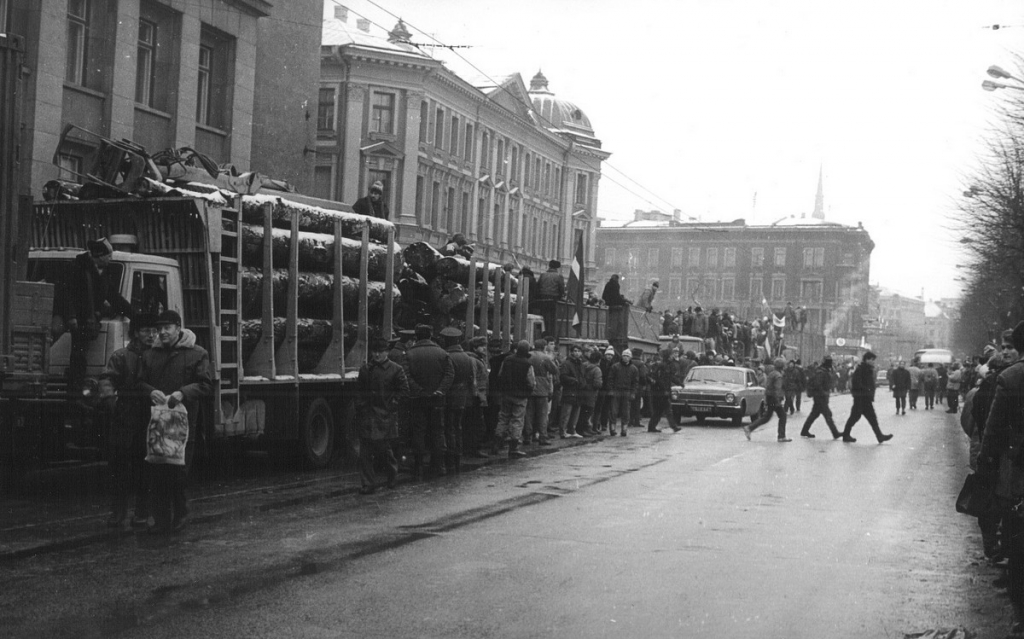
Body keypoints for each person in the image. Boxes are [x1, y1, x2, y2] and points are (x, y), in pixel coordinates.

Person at [138, 310, 212, 534]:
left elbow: (206, 385)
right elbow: (139, 382)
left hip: (183, 424)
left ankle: (180, 513)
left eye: (167, 328)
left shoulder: (197, 353)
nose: (162, 333)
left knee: (178, 471)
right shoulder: (150, 355)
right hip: (158, 422)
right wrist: (151, 392)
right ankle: (160, 519)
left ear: (178, 328)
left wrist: (182, 393)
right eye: (159, 329)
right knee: (157, 469)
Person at [977, 321, 1024, 637]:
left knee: (1016, 526)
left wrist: (985, 466)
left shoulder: (1011, 378)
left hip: (1017, 466)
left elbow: (993, 430)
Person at [98, 313, 158, 529]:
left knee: (145, 469)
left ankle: (142, 512)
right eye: (145, 331)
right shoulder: (121, 356)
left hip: (149, 420)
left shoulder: (158, 357)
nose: (151, 335)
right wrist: (112, 402)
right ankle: (118, 512)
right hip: (124, 420)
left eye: (154, 331)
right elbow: (107, 379)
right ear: (135, 333)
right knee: (118, 469)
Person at [56, 237, 132, 387]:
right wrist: (71, 316)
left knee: (79, 358)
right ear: (100, 256)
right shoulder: (77, 268)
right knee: (78, 358)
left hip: (86, 321)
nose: (110, 259)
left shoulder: (102, 273)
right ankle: (74, 394)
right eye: (108, 256)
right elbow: (66, 293)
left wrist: (132, 313)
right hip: (74, 320)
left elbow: (113, 296)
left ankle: (75, 392)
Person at [355, 338, 409, 494]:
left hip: (384, 416)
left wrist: (392, 405)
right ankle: (368, 484)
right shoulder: (365, 369)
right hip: (367, 416)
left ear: (387, 352)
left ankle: (392, 476)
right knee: (364, 451)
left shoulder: (396, 369)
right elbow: (359, 391)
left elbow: (403, 391)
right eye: (374, 352)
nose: (377, 355)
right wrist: (360, 405)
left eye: (380, 352)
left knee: (384, 449)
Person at [404, 324, 454, 479]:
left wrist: (418, 390)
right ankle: (439, 466)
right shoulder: (442, 353)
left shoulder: (409, 354)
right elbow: (449, 374)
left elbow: (405, 375)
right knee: (438, 431)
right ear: (431, 335)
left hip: (418, 399)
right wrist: (440, 390)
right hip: (437, 399)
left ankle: (418, 466)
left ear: (416, 336)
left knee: (418, 431)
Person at [441, 327, 475, 475]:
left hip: (449, 397)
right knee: (458, 427)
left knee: (448, 428)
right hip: (463, 397)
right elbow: (472, 379)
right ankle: (457, 459)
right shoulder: (468, 357)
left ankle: (449, 460)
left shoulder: (446, 356)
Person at [494, 340, 536, 458]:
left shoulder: (507, 360)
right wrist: (528, 391)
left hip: (507, 394)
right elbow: (531, 382)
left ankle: (496, 444)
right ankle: (513, 448)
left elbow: (500, 375)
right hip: (520, 396)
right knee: (517, 420)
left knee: (503, 418)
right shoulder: (527, 364)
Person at [840, 351, 893, 444]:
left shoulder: (867, 369)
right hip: (861, 398)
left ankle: (879, 436)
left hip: (865, 398)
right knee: (855, 417)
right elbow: (857, 383)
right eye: (872, 360)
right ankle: (846, 435)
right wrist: (867, 389)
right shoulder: (861, 369)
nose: (873, 362)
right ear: (867, 359)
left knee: (871, 418)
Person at [744, 358, 790, 442]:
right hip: (774, 399)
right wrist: (778, 401)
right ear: (782, 366)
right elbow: (777, 389)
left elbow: (768, 386)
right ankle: (781, 436)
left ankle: (750, 428)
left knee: (767, 417)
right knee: (782, 416)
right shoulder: (778, 376)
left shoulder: (772, 373)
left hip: (769, 397)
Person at [524, 338, 560, 443]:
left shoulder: (528, 355)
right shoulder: (545, 357)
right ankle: (543, 437)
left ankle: (527, 437)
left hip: (529, 388)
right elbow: (554, 370)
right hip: (542, 389)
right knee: (542, 415)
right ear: (544, 347)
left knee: (529, 414)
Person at [799, 355, 842, 439]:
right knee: (827, 415)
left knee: (814, 415)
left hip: (821, 396)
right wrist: (824, 393)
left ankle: (804, 430)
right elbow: (818, 384)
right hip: (820, 397)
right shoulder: (821, 372)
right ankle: (835, 433)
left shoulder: (823, 370)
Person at [648, 349, 682, 433]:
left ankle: (652, 427)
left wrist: (680, 383)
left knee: (659, 411)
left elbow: (671, 377)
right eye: (670, 355)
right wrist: (664, 389)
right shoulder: (662, 365)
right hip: (660, 392)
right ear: (667, 356)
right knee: (666, 410)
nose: (672, 356)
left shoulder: (668, 365)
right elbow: (659, 379)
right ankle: (673, 426)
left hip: (662, 392)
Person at [606, 349, 639, 437]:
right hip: (616, 391)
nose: (625, 357)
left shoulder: (634, 369)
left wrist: (633, 393)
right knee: (613, 411)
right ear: (621, 356)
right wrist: (611, 390)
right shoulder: (615, 367)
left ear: (630, 357)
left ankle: (624, 429)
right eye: (624, 355)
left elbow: (635, 383)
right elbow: (610, 379)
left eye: (627, 356)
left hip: (627, 392)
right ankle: (612, 429)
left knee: (626, 412)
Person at [557, 344, 586, 438]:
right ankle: (562, 431)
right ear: (571, 352)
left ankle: (572, 430)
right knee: (566, 412)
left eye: (578, 351)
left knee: (575, 412)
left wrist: (583, 383)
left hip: (579, 391)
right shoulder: (567, 363)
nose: (577, 353)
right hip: (569, 390)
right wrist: (574, 380)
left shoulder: (581, 364)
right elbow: (563, 376)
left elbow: (583, 376)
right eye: (575, 351)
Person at [535, 260, 565, 341]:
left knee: (543, 317)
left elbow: (538, 286)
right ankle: (551, 335)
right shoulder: (559, 276)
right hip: (554, 300)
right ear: (557, 268)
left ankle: (543, 334)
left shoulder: (543, 275)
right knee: (552, 318)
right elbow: (561, 289)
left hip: (542, 299)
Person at [579, 350, 604, 437]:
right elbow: (598, 384)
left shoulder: (583, 365)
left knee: (582, 411)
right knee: (588, 411)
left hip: (581, 391)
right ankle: (583, 430)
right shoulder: (597, 369)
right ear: (599, 359)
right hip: (591, 393)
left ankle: (583, 429)